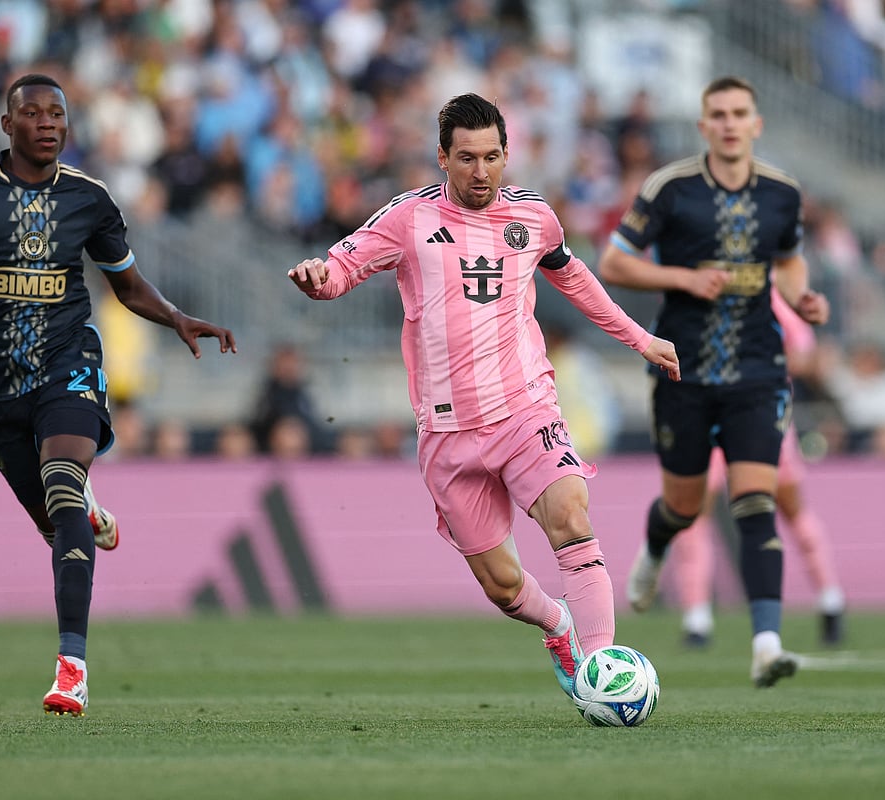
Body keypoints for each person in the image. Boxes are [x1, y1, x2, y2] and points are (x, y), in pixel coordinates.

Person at [288, 93, 680, 703]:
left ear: (506, 155)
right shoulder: (408, 219)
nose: (481, 172)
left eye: (492, 157)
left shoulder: (535, 218)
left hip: (526, 407)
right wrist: (319, 278)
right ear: (442, 158)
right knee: (503, 587)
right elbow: (343, 268)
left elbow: (571, 275)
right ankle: (558, 627)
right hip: (447, 433)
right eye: (466, 158)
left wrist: (640, 338)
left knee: (571, 517)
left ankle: (603, 672)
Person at [0, 73, 236, 717]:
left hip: (68, 361)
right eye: (33, 113)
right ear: (7, 124)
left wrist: (179, 317)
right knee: (59, 521)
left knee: (61, 484)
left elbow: (127, 286)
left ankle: (71, 668)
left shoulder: (90, 199)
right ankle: (88, 511)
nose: (48, 123)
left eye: (58, 114)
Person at [597, 76, 830, 688]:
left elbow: (786, 259)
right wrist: (681, 278)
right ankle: (654, 548)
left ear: (757, 124)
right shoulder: (670, 188)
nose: (729, 123)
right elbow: (614, 262)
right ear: (703, 127)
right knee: (683, 504)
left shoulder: (782, 193)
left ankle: (766, 642)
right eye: (717, 114)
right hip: (684, 371)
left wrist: (801, 296)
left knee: (756, 502)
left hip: (758, 369)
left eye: (739, 114)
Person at [668, 289, 847, 649]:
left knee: (791, 509)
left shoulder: (771, 300)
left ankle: (830, 601)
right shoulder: (693, 295)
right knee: (694, 514)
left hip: (763, 419)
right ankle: (697, 619)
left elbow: (805, 357)